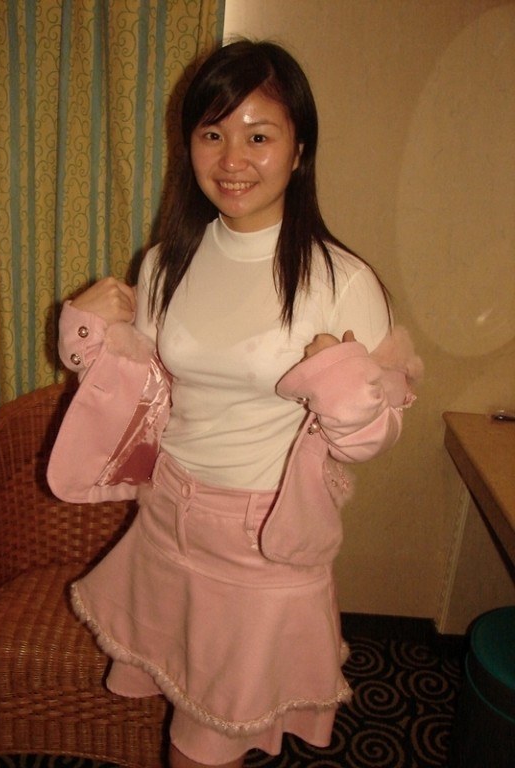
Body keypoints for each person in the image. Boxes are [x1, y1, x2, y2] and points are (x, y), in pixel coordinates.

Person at [48, 39, 422, 768]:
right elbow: (145, 392)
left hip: (260, 544)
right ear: (187, 144)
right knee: (181, 707)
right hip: (165, 518)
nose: (232, 159)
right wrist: (86, 333)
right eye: (212, 133)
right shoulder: (166, 262)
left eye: (259, 136)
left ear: (299, 149)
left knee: (200, 746)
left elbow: (375, 436)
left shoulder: (342, 281)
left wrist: (341, 382)